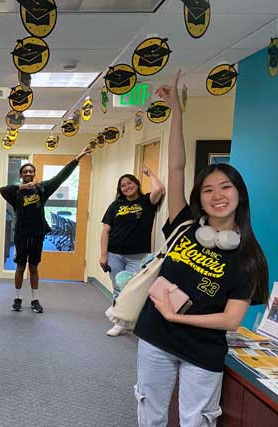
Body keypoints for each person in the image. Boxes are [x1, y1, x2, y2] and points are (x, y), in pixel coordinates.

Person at [132, 72, 268, 427]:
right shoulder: (184, 227)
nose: (217, 195)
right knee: (151, 412)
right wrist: (177, 109)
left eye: (226, 187)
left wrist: (179, 317)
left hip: (202, 349)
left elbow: (231, 319)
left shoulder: (249, 256)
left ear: (239, 195)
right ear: (200, 199)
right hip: (156, 337)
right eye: (208, 190)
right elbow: (175, 168)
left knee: (197, 421)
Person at [0, 145, 91, 313]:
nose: (28, 174)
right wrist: (22, 187)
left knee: (33, 267)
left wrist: (77, 158)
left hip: (37, 234)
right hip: (21, 234)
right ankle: (17, 298)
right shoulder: (16, 192)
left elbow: (61, 177)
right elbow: (2, 190)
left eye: (30, 171)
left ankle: (34, 299)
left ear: (34, 174)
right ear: (21, 175)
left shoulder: (42, 189)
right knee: (20, 267)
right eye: (25, 172)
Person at [100, 167, 165, 336]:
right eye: (123, 185)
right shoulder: (115, 205)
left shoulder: (146, 202)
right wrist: (103, 254)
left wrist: (150, 174)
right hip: (114, 253)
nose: (127, 186)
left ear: (136, 184)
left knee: (131, 287)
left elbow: (159, 189)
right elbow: (106, 230)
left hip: (138, 255)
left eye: (130, 183)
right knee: (117, 287)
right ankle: (119, 322)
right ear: (120, 190)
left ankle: (127, 319)